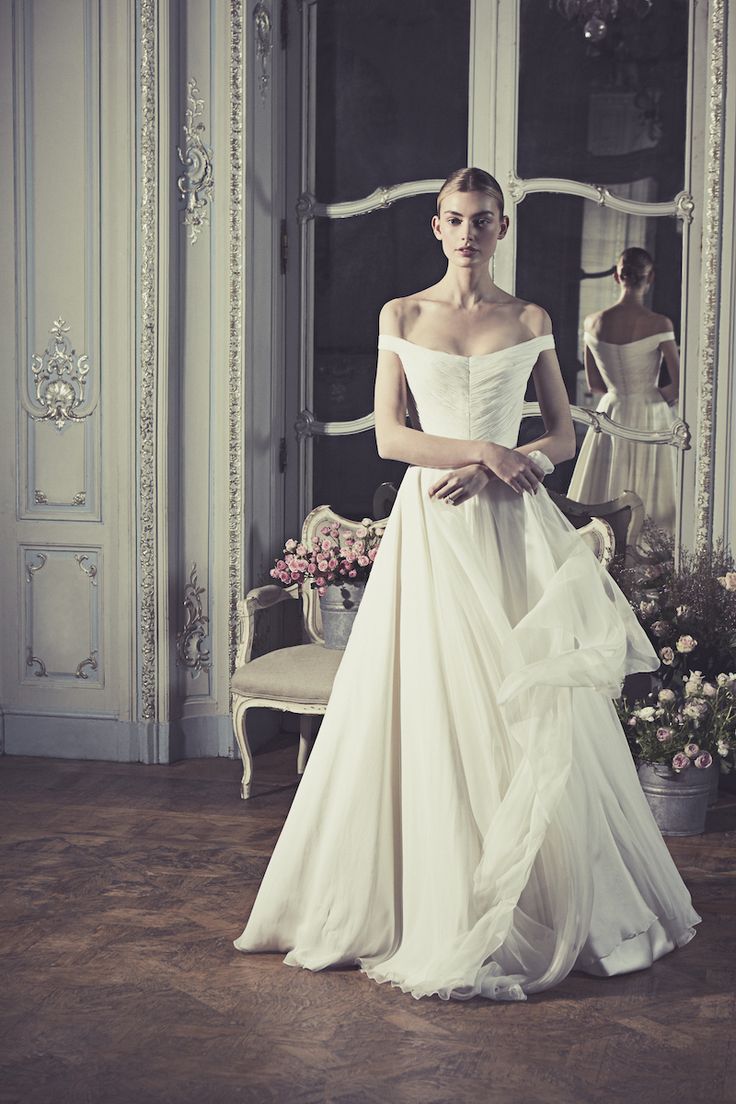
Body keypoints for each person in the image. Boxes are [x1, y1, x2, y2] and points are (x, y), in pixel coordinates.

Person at [234, 169, 700, 1002]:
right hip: (432, 530)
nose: (468, 233)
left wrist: (508, 464)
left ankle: (536, 891)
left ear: (502, 227)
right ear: (437, 227)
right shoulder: (402, 315)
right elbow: (390, 436)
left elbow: (562, 431)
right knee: (430, 695)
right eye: (455, 220)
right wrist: (481, 452)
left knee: (511, 699)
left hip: (507, 526)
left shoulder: (529, 317)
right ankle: (425, 893)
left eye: (483, 220)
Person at [567, 247, 681, 531]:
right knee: (650, 488)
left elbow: (594, 385)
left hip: (611, 409)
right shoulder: (659, 323)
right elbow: (678, 387)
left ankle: (605, 542)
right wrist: (653, 399)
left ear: (617, 277)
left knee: (605, 484)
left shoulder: (592, 322)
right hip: (649, 412)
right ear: (650, 277)